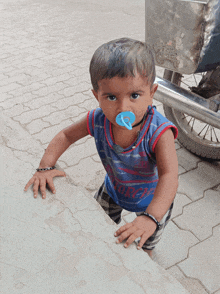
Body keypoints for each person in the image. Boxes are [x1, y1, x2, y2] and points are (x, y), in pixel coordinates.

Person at [24, 38, 178, 257]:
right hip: (113, 190)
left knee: (143, 247)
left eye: (135, 95)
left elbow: (170, 175)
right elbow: (66, 135)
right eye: (111, 97)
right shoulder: (98, 120)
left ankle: (146, 261)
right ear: (97, 96)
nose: (123, 107)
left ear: (151, 93)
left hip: (154, 201)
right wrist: (45, 167)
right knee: (97, 225)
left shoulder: (159, 132)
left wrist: (151, 217)